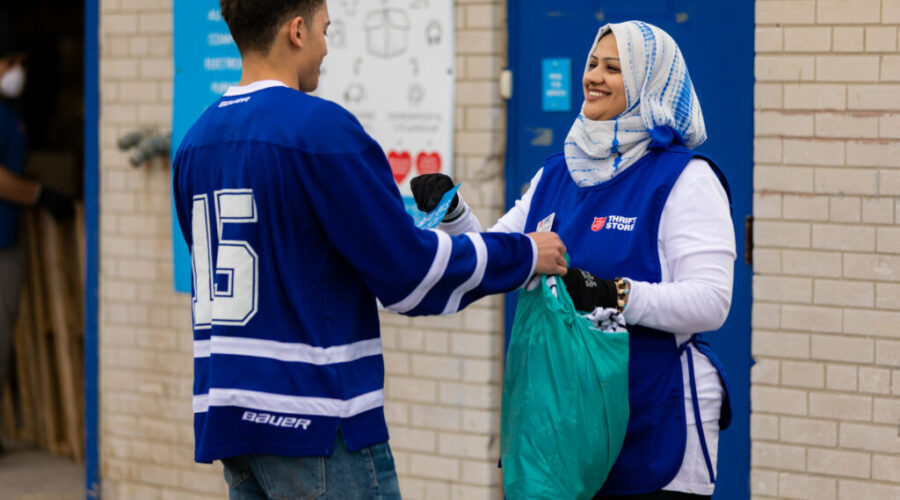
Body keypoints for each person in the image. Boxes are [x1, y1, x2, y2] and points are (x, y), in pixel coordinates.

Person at [172, 1, 568, 498]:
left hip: (231, 419)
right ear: (297, 31)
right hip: (316, 423)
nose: (326, 48)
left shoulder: (195, 142)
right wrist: (524, 253)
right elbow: (409, 275)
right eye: (324, 30)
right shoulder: (319, 130)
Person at [412, 21, 736, 500]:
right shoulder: (559, 172)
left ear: (650, 83)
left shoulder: (685, 178)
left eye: (614, 68)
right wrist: (455, 216)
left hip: (654, 420)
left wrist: (614, 294)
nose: (593, 76)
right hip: (566, 425)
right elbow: (502, 254)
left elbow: (711, 301)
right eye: (592, 64)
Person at [0, 12, 73, 441]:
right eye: (9, 63)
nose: (18, 72)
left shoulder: (11, 111)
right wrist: (38, 194)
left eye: (21, 63)